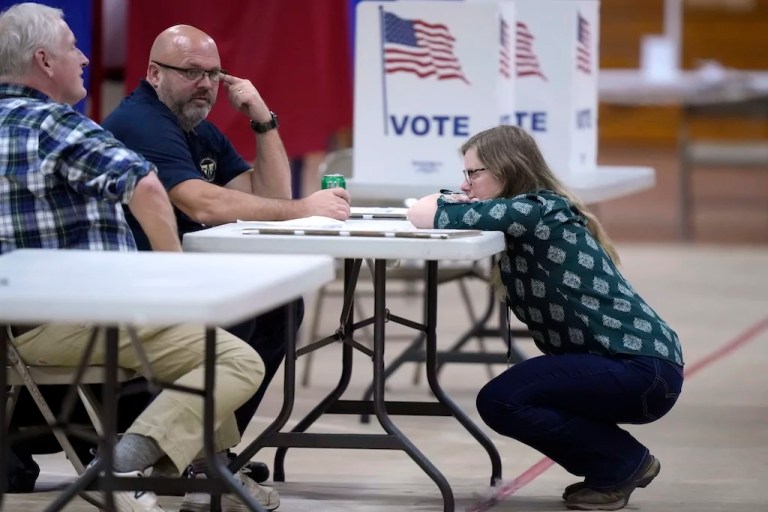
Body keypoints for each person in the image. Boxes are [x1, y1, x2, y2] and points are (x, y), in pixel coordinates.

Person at [0, 3, 278, 511]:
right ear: (43, 61)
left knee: (209, 345)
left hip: (16, 327)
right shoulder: (56, 124)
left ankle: (197, 476)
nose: (83, 58)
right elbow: (148, 186)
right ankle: (121, 467)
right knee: (232, 360)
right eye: (71, 48)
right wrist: (171, 284)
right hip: (72, 318)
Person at [101, 26, 351, 470]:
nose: (206, 85)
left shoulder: (199, 130)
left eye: (214, 74)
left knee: (280, 304)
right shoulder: (141, 122)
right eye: (192, 72)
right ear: (155, 73)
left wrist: (263, 120)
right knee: (249, 306)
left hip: (176, 277)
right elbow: (201, 202)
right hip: (133, 284)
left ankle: (200, 452)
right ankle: (192, 451)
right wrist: (302, 208)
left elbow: (268, 193)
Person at [407, 125, 684, 511]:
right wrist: (453, 203)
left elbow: (423, 214)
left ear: (507, 170)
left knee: (503, 400)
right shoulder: (533, 210)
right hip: (639, 367)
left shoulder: (536, 208)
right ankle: (616, 466)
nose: (466, 184)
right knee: (512, 395)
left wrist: (445, 204)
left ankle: (622, 462)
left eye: (474, 174)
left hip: (640, 368)